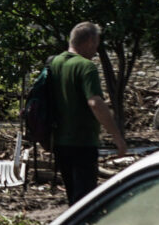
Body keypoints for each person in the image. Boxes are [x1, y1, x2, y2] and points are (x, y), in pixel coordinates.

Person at [46, 21, 128, 205]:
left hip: (59, 142)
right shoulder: (86, 66)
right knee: (85, 203)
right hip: (82, 142)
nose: (97, 49)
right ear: (90, 40)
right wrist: (117, 137)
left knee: (73, 198)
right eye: (97, 43)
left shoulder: (55, 63)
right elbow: (95, 103)